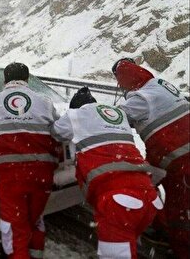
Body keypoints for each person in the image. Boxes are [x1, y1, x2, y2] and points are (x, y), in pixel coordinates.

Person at [51, 87, 162, 259]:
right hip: (148, 194)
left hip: (118, 200)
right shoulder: (117, 115)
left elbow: (55, 132)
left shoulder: (76, 115)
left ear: (76, 108)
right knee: (129, 244)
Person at [112, 58, 189, 259]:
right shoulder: (159, 84)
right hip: (170, 157)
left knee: (177, 209)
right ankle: (162, 227)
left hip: (178, 160)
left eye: (120, 82)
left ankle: (180, 246)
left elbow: (114, 119)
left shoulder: (141, 98)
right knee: (147, 182)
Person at [0, 62, 60, 259]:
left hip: (10, 175)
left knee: (14, 226)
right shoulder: (45, 102)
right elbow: (58, 132)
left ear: (5, 80)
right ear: (27, 80)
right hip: (42, 173)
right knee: (34, 219)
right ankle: (36, 253)